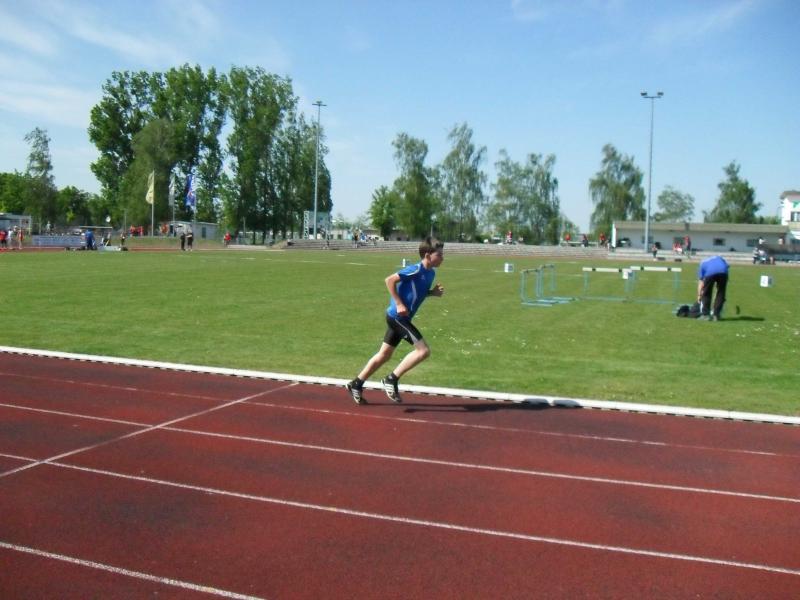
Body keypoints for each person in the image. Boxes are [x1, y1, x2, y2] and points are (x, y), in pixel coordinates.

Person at [346, 236, 445, 404]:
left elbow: (418, 292)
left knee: (384, 354)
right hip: (398, 317)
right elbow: (389, 280)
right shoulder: (415, 269)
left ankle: (356, 383)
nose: (443, 258)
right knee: (423, 351)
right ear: (428, 256)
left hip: (401, 318)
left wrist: (431, 293)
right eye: (439, 255)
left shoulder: (430, 273)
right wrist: (399, 303)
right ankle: (391, 379)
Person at [697, 255, 729, 321]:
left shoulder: (702, 263)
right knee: (721, 293)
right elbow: (727, 266)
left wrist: (699, 295)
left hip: (710, 273)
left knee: (706, 293)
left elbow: (701, 282)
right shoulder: (719, 258)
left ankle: (705, 315)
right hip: (724, 272)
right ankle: (716, 315)